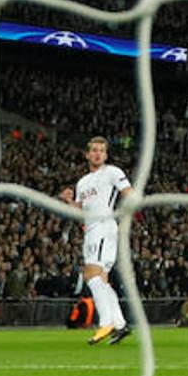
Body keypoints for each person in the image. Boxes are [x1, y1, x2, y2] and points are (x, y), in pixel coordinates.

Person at [58, 136, 132, 345]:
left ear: (106, 155)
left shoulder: (112, 172)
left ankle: (105, 323)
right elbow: (80, 212)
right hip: (91, 230)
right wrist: (69, 201)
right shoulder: (82, 183)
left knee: (91, 275)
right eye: (94, 150)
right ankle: (120, 324)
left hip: (103, 227)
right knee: (102, 279)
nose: (98, 153)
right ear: (88, 154)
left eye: (102, 150)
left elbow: (129, 193)